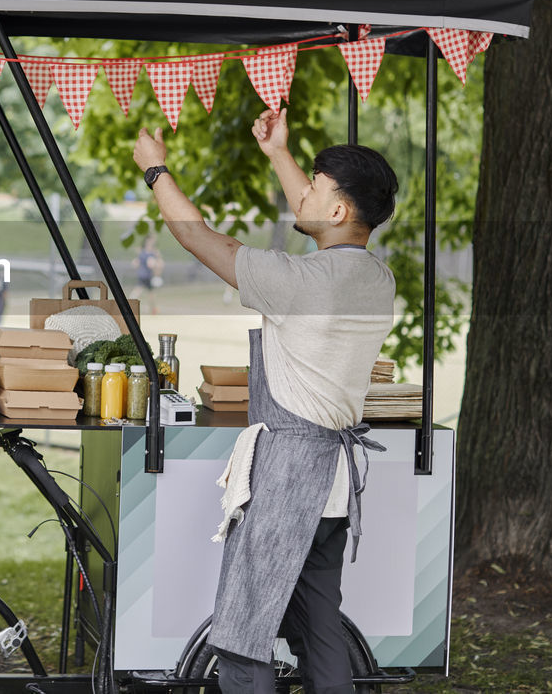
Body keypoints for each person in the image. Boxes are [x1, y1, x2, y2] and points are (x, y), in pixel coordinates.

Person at [133, 106, 398, 694]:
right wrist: (278, 151)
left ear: (337, 209)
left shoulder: (301, 284)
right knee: (320, 633)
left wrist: (156, 173)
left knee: (244, 634)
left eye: (316, 188)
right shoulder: (377, 280)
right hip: (335, 481)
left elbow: (196, 235)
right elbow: (315, 219)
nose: (300, 196)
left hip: (288, 476)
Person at [132, 233, 164, 314]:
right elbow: (137, 262)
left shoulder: (154, 252)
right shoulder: (143, 252)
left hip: (149, 276)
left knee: (150, 293)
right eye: (151, 240)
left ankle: (153, 310)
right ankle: (130, 305)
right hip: (144, 275)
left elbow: (159, 264)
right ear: (147, 241)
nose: (152, 242)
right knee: (140, 290)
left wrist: (157, 265)